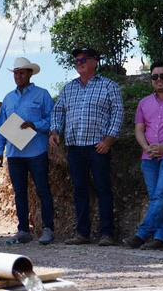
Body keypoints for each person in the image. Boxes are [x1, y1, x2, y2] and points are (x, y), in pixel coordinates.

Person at [50, 47, 123, 246]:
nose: (79, 62)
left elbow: (117, 114)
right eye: (77, 60)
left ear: (95, 62)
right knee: (80, 190)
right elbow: (58, 112)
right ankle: (82, 233)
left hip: (98, 147)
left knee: (103, 189)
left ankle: (107, 233)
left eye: (83, 59)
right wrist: (55, 131)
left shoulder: (109, 86)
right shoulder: (69, 88)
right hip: (74, 147)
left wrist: (109, 140)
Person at [0, 58, 56, 245]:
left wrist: (34, 125)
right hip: (14, 154)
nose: (18, 76)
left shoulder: (42, 95)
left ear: (30, 73)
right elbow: (1, 127)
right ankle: (22, 230)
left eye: (22, 73)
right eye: (15, 73)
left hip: (37, 151)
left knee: (43, 189)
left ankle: (48, 229)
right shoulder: (8, 98)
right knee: (19, 192)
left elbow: (53, 120)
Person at [124, 61, 163, 250]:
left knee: (161, 195)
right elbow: (139, 130)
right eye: (155, 77)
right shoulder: (144, 103)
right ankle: (160, 238)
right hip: (148, 158)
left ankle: (141, 235)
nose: (159, 80)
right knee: (157, 198)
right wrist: (146, 147)